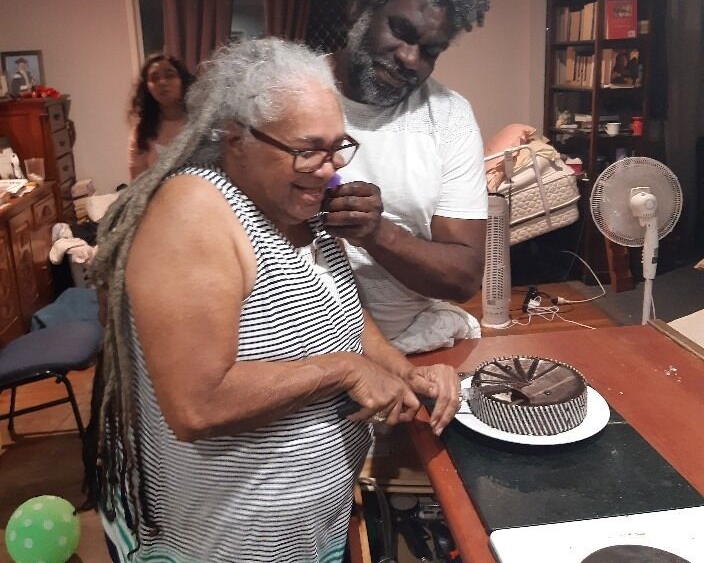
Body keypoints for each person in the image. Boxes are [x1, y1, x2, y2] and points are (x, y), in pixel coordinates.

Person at [84, 38, 460, 563]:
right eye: (307, 149)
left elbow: (345, 317)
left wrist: (405, 374)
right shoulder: (194, 211)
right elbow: (197, 404)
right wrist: (343, 371)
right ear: (236, 138)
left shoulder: (302, 210)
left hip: (309, 534)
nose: (329, 168)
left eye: (337, 146)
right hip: (223, 547)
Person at [326, 0, 492, 354]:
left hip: (414, 344)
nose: (409, 58)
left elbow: (464, 278)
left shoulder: (449, 117)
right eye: (400, 30)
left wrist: (376, 233)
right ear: (360, 8)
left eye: (430, 50)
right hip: (302, 354)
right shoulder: (294, 96)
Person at [127, 53, 195, 179]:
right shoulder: (142, 130)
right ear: (147, 88)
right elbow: (138, 181)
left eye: (170, 75)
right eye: (154, 78)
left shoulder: (200, 120)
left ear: (183, 80)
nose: (162, 82)